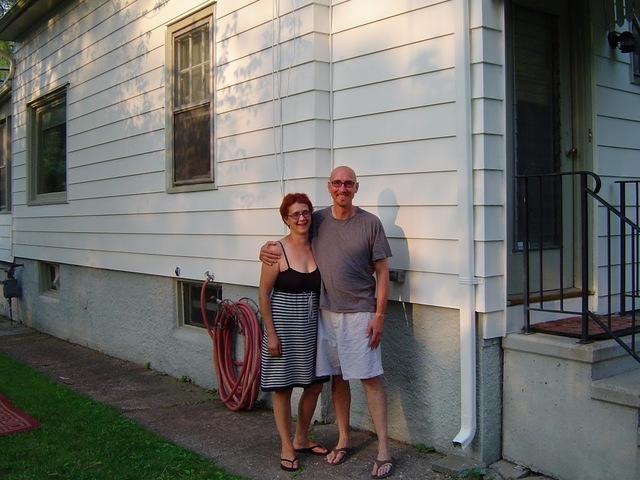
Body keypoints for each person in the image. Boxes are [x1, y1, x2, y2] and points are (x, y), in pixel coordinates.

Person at [260, 166, 394, 479]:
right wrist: (265, 249)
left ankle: (384, 449)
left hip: (360, 314)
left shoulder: (370, 223)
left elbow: (383, 272)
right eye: (337, 183)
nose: (342, 188)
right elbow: (290, 235)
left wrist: (379, 315)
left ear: (356, 187)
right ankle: (343, 439)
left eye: (348, 183)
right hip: (324, 315)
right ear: (329, 187)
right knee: (336, 379)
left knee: (371, 379)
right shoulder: (318, 219)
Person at [258, 192, 330, 472]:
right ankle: (287, 445)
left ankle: (301, 437)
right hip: (284, 327)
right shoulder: (275, 250)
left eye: (305, 212)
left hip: (313, 326)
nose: (301, 218)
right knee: (283, 388)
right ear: (286, 219)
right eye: (295, 214)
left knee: (314, 384)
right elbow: (264, 295)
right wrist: (271, 334)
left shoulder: (318, 247)